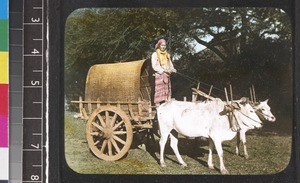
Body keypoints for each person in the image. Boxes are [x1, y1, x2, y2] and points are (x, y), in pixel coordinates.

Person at [151, 39, 176, 106]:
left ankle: (167, 106)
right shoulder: (155, 54)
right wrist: (163, 70)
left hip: (167, 75)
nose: (163, 47)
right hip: (159, 75)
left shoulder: (167, 55)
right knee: (159, 92)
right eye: (162, 45)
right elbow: (154, 66)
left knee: (167, 92)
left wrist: (173, 69)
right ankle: (157, 107)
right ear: (159, 45)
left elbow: (170, 64)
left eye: (164, 45)